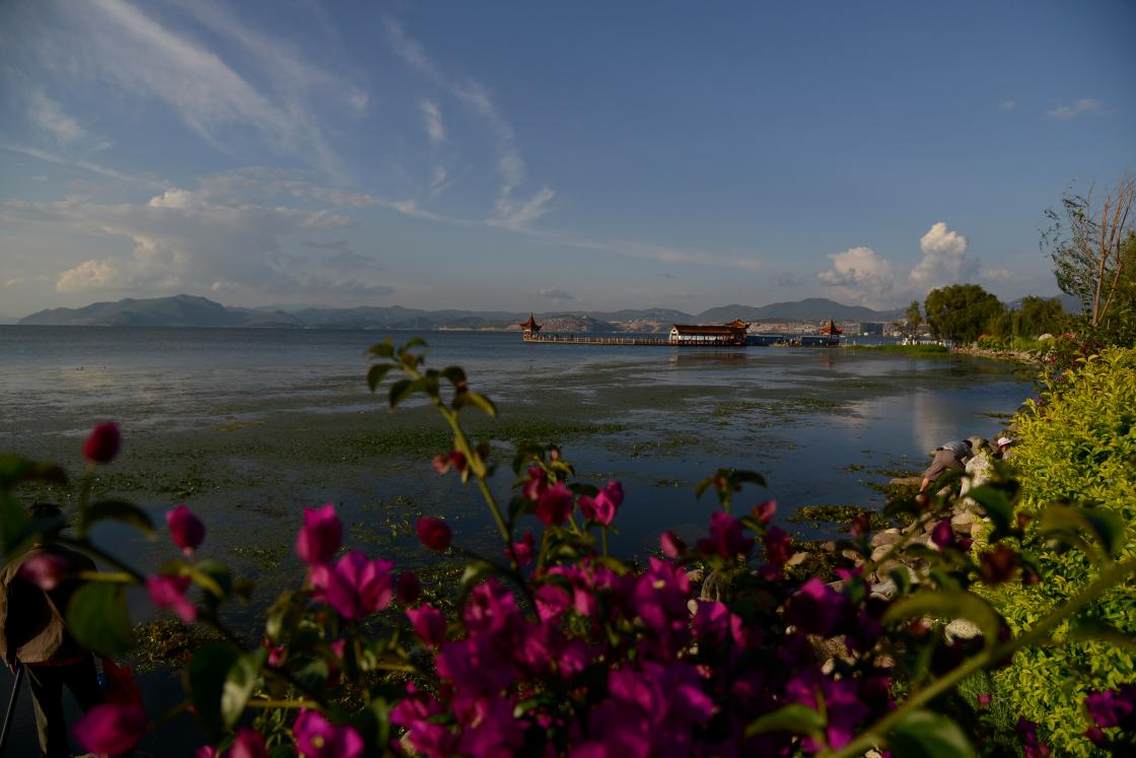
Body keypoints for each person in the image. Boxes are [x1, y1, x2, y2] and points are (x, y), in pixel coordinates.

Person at [0, 504, 101, 757]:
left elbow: (4, 621)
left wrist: (8, 654)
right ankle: (110, 751)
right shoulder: (82, 562)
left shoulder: (11, 570)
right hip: (77, 649)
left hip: (37, 657)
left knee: (47, 716)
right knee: (95, 709)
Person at [915, 439, 972, 505]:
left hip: (939, 454)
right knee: (963, 472)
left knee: (930, 475)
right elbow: (972, 459)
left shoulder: (954, 442)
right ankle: (962, 489)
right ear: (969, 445)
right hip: (950, 456)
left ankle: (921, 491)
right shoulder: (966, 446)